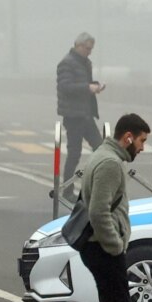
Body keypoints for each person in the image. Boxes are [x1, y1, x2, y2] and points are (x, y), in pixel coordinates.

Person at [39, 113, 151, 302]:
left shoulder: (103, 155)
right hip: (102, 248)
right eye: (141, 141)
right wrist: (115, 246)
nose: (142, 148)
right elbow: (99, 212)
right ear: (128, 137)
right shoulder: (110, 164)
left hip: (98, 247)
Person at [56, 32, 105, 199]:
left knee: (101, 148)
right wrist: (87, 87)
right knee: (74, 153)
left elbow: (81, 84)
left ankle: (97, 186)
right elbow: (65, 87)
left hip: (86, 114)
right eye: (87, 48)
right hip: (74, 116)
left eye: (91, 49)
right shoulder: (67, 63)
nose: (89, 51)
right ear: (78, 45)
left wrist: (94, 86)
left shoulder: (84, 63)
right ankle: (67, 190)